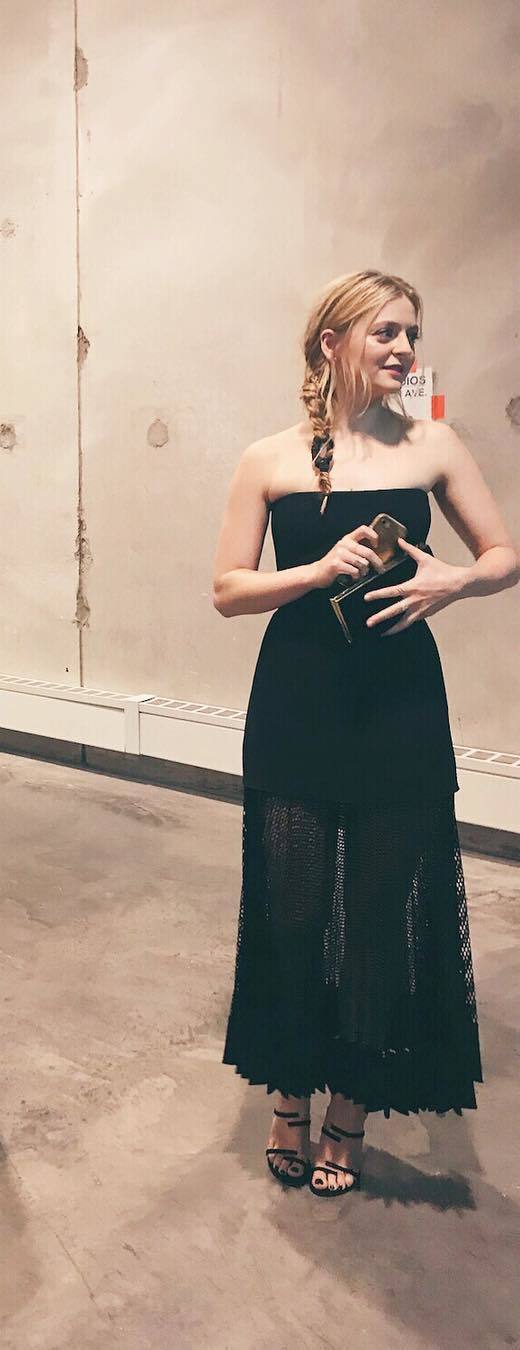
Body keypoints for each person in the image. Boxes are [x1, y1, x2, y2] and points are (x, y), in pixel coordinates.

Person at [212, 271, 518, 1196]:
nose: (404, 349)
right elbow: (228, 590)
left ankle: (349, 1107)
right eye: (385, 331)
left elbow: (505, 553)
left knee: (380, 915)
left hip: (399, 704)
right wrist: (313, 572)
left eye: (411, 333)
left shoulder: (433, 443)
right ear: (331, 343)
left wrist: (455, 580)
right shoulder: (269, 458)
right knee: (296, 909)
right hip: (299, 701)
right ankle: (289, 1097)